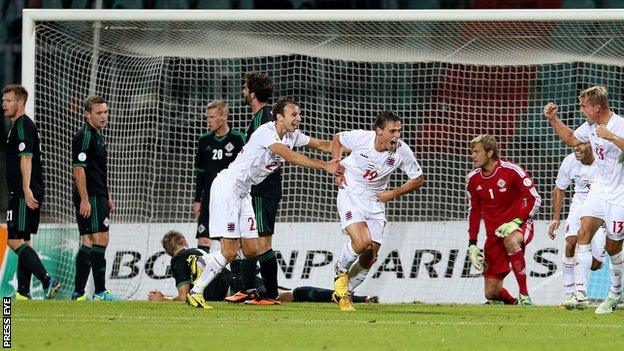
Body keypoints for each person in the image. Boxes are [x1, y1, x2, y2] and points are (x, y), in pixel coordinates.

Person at [185, 98, 343, 309]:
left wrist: (356, 149)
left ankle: (203, 261)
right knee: (230, 252)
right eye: (293, 114)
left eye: (299, 113)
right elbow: (290, 156)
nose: (298, 118)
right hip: (228, 188)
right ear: (279, 117)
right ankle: (196, 292)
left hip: (244, 193)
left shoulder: (292, 135)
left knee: (252, 250)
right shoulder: (265, 132)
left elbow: (323, 145)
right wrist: (325, 166)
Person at [330, 111, 424, 311]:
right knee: (362, 242)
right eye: (392, 131)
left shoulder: (402, 150)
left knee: (370, 253)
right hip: (351, 190)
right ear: (379, 131)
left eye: (399, 130)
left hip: (375, 200)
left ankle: (343, 292)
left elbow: (418, 179)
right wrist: (337, 167)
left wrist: (394, 193)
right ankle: (340, 272)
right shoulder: (361, 138)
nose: (397, 135)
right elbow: (337, 139)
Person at [544, 85, 624, 313]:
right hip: (599, 190)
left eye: (584, 106)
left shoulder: (620, 124)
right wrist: (553, 119)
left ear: (597, 107)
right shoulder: (590, 126)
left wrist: (611, 136)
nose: (581, 110)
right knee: (582, 233)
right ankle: (580, 294)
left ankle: (615, 293)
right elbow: (570, 138)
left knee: (613, 248)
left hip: (620, 194)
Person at [147, 230, 378, 304]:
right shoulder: (199, 253)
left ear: (170, 251)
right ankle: (355, 298)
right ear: (184, 242)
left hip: (234, 289)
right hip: (236, 281)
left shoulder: (177, 261)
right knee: (286, 297)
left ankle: (354, 298)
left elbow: (184, 296)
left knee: (284, 297)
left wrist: (163, 300)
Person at [466, 134, 542, 306]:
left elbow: (535, 199)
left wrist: (516, 222)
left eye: (476, 152)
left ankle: (524, 295)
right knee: (491, 293)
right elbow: (474, 212)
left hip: (519, 225)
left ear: (490, 152)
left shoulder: (511, 170)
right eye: (472, 152)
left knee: (511, 240)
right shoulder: (473, 179)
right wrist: (472, 243)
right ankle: (513, 303)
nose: (472, 156)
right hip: (494, 235)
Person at [3, 84, 60, 300]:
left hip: (22, 192)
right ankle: (23, 292)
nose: (4, 105)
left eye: (8, 100)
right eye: (3, 101)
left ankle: (47, 280)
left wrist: (25, 189)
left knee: (14, 240)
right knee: (24, 240)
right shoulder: (20, 126)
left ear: (20, 103)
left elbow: (26, 158)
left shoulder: (22, 126)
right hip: (25, 190)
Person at [227, 71, 280, 304]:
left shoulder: (264, 119)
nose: (243, 90)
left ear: (253, 93)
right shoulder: (259, 117)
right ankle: (247, 289)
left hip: (264, 188)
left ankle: (270, 294)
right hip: (255, 188)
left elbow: (270, 155)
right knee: (248, 236)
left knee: (262, 240)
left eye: (245, 87)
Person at [70, 95, 121, 301]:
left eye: (106, 112)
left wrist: (107, 195)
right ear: (87, 114)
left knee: (89, 241)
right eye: (99, 113)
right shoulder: (85, 136)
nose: (104, 116)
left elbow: (98, 170)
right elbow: (79, 170)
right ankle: (100, 292)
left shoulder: (98, 135)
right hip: (89, 195)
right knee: (100, 239)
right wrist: (85, 199)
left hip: (98, 194)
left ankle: (78, 293)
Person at [548, 142, 607, 304]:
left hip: (600, 205)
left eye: (581, 144)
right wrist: (556, 218)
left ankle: (588, 283)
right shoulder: (569, 161)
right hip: (579, 204)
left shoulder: (604, 160)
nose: (576, 148)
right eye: (575, 144)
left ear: (591, 144)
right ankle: (572, 293)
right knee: (570, 243)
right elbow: (560, 187)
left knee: (595, 264)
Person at [193, 100, 246, 252]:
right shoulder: (204, 141)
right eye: (207, 118)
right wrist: (198, 200)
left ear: (224, 116)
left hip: (231, 199)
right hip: (210, 198)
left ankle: (238, 275)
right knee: (203, 238)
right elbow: (200, 173)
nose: (208, 121)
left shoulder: (238, 139)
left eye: (212, 117)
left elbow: (245, 171)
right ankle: (203, 276)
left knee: (234, 241)